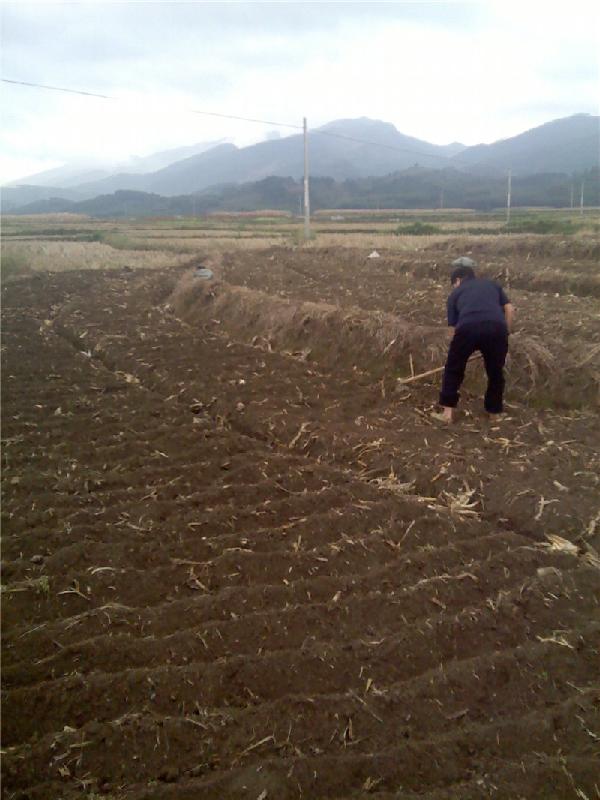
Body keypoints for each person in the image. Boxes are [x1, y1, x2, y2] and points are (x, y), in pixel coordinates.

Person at [435, 261, 514, 422]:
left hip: (467, 328)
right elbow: (509, 309)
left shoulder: (454, 295)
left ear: (457, 280)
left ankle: (447, 414)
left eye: (454, 284)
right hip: (497, 328)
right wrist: (505, 332)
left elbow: (453, 328)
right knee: (495, 372)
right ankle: (495, 413)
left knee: (453, 369)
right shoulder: (492, 285)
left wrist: (457, 352)